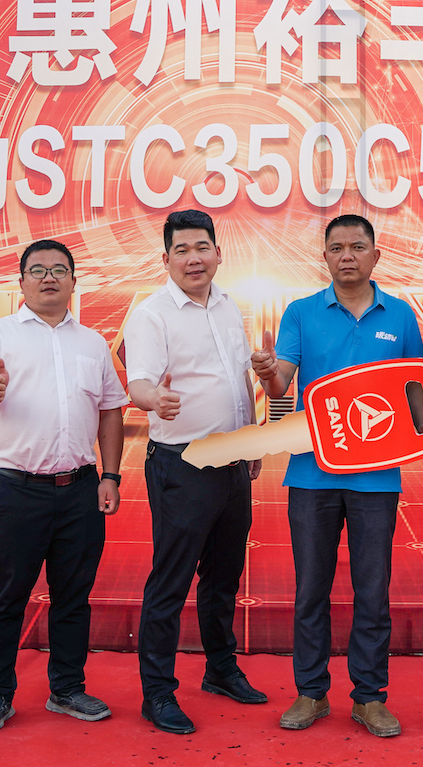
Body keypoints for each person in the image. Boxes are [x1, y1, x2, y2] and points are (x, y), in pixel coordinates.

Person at [251, 213, 423, 739]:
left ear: (376, 255)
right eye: (336, 248)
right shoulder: (301, 312)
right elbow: (282, 382)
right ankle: (311, 692)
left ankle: (369, 697)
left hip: (377, 477)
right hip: (312, 474)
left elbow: (415, 390)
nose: (347, 256)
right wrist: (269, 373)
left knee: (373, 591)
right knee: (311, 590)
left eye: (357, 247)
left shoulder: (401, 315)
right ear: (324, 256)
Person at [0, 239, 128, 733]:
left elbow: (110, 412)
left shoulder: (92, 343)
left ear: (74, 281)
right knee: (5, 598)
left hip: (80, 490)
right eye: (38, 270)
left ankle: (67, 689)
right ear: (22, 282)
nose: (49, 277)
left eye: (59, 269)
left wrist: (111, 475)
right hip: (16, 491)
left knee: (73, 596)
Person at [125, 209, 267, 735]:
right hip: (182, 464)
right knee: (172, 580)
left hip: (232, 460)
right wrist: (153, 399)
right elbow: (139, 381)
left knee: (224, 576)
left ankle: (221, 669)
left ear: (217, 254)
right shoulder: (152, 314)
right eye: (181, 250)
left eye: (202, 247)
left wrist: (250, 438)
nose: (193, 259)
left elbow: (238, 381)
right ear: (166, 259)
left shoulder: (228, 305)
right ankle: (158, 692)